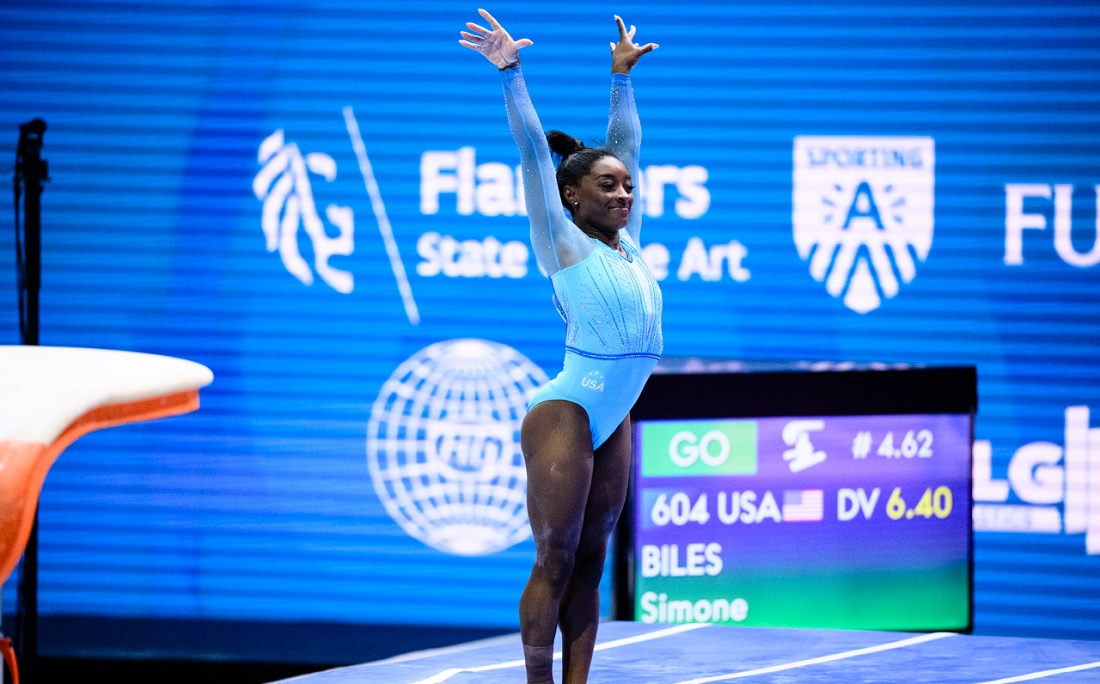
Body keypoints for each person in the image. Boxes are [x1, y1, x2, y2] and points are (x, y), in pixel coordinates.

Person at [460, 9, 661, 684]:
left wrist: (620, 80)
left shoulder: (625, 242)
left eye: (628, 186)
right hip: (568, 410)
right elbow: (528, 149)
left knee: (594, 560)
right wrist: (511, 74)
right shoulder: (561, 240)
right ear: (569, 196)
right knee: (556, 556)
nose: (625, 192)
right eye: (608, 186)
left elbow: (628, 145)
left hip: (614, 413)